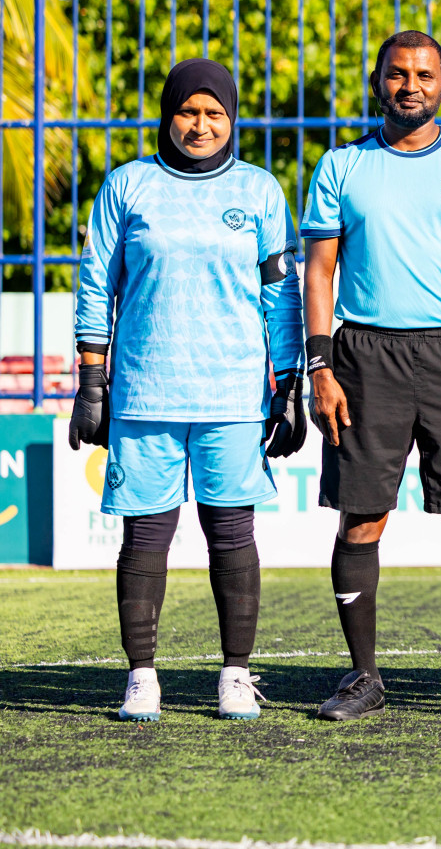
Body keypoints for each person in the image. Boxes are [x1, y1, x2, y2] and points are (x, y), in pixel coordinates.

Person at [71, 58, 306, 723]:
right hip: (145, 394)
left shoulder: (260, 191)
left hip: (233, 397)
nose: (200, 125)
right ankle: (142, 677)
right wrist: (92, 380)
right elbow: (97, 284)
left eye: (214, 113)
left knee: (232, 532)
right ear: (168, 114)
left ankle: (235, 675)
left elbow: (280, 296)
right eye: (187, 111)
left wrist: (288, 386)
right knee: (146, 536)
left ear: (232, 119)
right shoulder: (128, 186)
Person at [301, 30, 441, 721]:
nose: (410, 86)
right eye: (397, 74)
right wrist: (320, 364)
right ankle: (363, 678)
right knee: (361, 520)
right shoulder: (342, 166)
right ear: (378, 82)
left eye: (424, 75)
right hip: (365, 356)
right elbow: (319, 270)